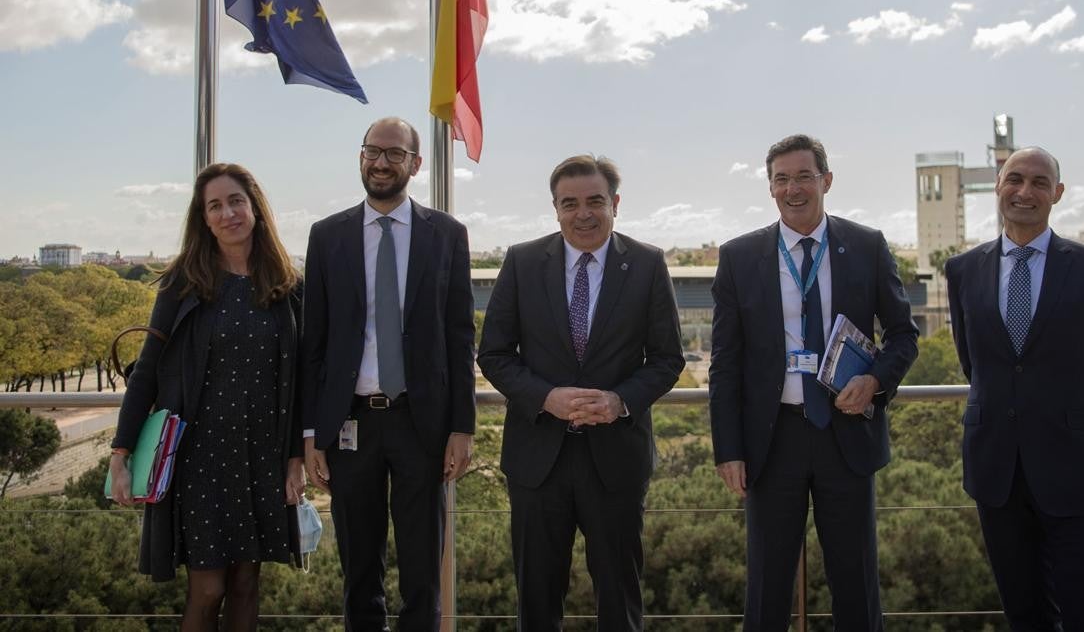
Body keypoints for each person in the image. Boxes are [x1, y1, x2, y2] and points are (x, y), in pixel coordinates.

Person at [709, 134, 918, 630]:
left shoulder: (866, 246)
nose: (793, 188)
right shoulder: (739, 256)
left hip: (845, 434)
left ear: (827, 180)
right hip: (771, 440)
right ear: (770, 188)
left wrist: (874, 381)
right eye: (781, 179)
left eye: (804, 176)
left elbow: (903, 335)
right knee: (767, 586)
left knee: (856, 583)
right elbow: (725, 362)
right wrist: (728, 449)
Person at [945, 147, 1084, 630]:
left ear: (1057, 194)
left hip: (1080, 473)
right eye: (1015, 179)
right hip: (998, 475)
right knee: (1025, 615)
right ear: (998, 186)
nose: (1025, 191)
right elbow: (974, 363)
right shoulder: (963, 270)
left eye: (1039, 183)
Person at [477, 155, 685, 631]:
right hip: (537, 460)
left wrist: (619, 402)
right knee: (536, 601)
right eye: (569, 203)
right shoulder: (522, 261)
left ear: (615, 203)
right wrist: (545, 397)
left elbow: (668, 359)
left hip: (616, 461)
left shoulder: (648, 264)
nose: (583, 213)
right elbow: (494, 354)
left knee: (620, 601)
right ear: (555, 209)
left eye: (595, 201)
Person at [110, 162, 305, 631]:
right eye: (214, 206)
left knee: (246, 584)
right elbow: (147, 371)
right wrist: (120, 452)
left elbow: (302, 380)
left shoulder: (287, 285)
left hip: (262, 453)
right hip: (200, 457)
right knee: (209, 588)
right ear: (204, 219)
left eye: (236, 201)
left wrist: (296, 457)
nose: (227, 213)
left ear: (255, 207)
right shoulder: (183, 283)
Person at [300, 117, 476, 631]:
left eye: (395, 154)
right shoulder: (327, 236)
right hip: (349, 424)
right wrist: (311, 434)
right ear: (361, 157)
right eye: (372, 151)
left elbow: (459, 336)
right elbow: (314, 342)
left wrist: (462, 427)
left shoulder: (446, 235)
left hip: (422, 424)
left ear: (415, 165)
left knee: (423, 573)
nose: (381, 162)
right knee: (359, 572)